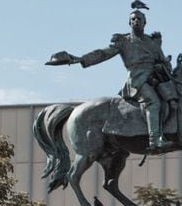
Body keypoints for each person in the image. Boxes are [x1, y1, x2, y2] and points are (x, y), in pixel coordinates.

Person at [57, 8, 173, 150]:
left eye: (139, 19)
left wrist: (164, 66)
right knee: (153, 102)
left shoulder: (152, 43)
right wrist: (82, 59)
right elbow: (104, 53)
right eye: (133, 19)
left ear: (145, 22)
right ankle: (154, 139)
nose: (136, 21)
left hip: (155, 79)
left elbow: (164, 62)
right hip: (137, 81)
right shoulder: (124, 41)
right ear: (129, 23)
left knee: (174, 99)